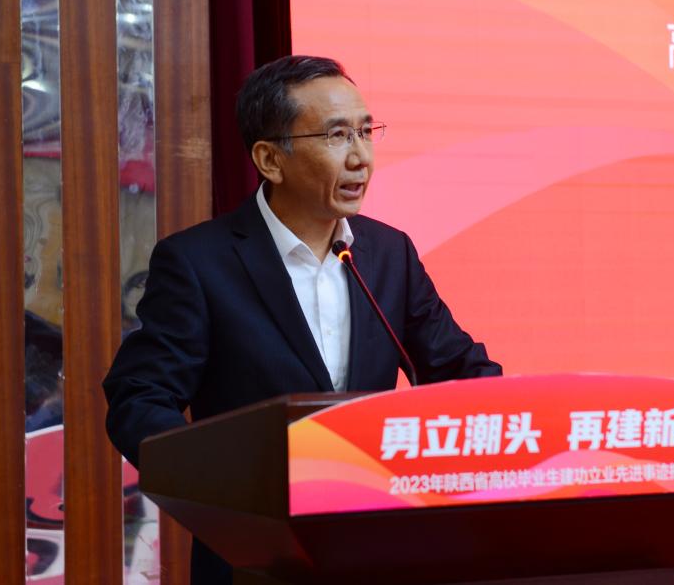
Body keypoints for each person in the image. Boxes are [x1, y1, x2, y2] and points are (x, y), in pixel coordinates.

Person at [103, 55, 502, 584]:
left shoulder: (389, 254)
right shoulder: (199, 262)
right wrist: (223, 489)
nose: (360, 158)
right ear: (271, 160)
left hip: (379, 551)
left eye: (365, 132)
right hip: (256, 559)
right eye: (337, 136)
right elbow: (139, 399)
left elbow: (460, 373)